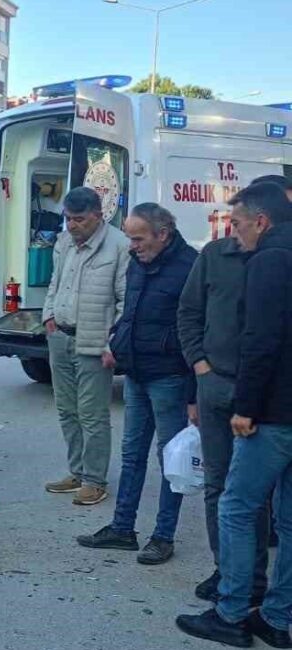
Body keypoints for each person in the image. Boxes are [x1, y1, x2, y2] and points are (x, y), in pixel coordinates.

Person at [176, 182, 292, 648]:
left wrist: (245, 407)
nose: (235, 232)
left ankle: (230, 613)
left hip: (273, 412)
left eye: (239, 222)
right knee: (286, 519)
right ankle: (278, 618)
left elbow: (260, 341)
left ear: (261, 221)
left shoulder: (269, 260)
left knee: (237, 506)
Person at [76, 203, 197, 564]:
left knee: (170, 460)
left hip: (170, 377)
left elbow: (194, 331)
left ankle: (163, 536)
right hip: (136, 373)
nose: (132, 245)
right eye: (129, 237)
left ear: (163, 234)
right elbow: (130, 313)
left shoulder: (189, 267)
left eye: (138, 238)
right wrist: (117, 344)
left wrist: (193, 393)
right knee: (132, 456)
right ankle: (122, 529)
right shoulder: (138, 264)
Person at [41, 186, 130, 506]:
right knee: (67, 411)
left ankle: (94, 479)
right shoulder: (64, 242)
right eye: (68, 218)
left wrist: (113, 343)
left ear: (98, 215)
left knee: (92, 415)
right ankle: (77, 472)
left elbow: (125, 300)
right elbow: (55, 281)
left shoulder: (119, 245)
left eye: (79, 219)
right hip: (60, 336)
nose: (72, 225)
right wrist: (48, 315)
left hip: (94, 341)